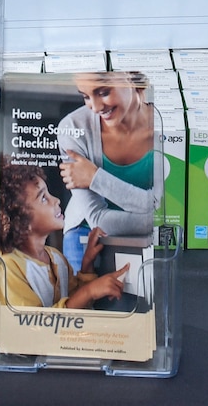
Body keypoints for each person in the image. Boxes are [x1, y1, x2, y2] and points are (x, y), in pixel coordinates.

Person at [55, 71, 157, 271]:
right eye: (85, 96)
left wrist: (95, 178)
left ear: (131, 80)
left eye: (103, 92)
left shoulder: (167, 125)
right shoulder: (73, 127)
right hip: (88, 236)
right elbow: (98, 220)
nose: (95, 107)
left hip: (152, 238)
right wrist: (155, 219)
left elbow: (172, 209)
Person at [0, 160, 128, 311]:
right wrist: (89, 291)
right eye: (43, 198)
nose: (56, 200)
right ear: (20, 220)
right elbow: (33, 326)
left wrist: (87, 265)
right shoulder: (8, 266)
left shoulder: (57, 258)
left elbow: (75, 303)